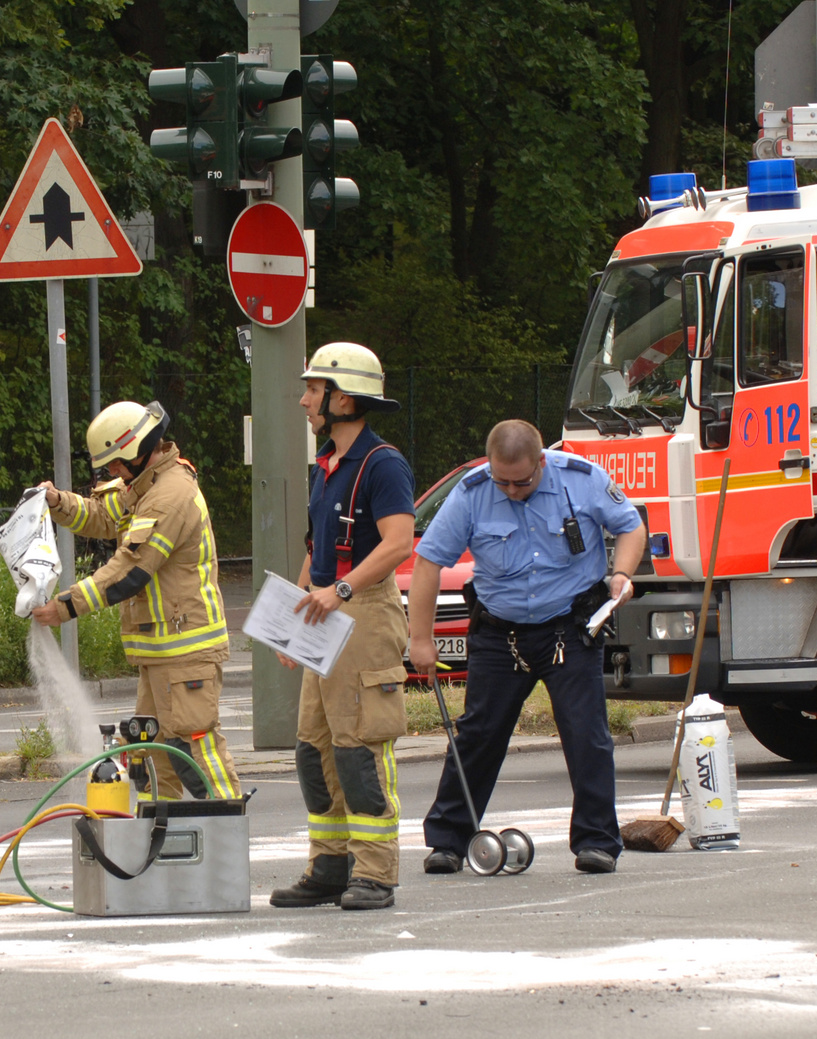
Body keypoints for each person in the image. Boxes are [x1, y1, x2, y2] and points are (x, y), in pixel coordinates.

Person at [409, 419, 646, 874]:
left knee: (587, 734)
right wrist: (420, 639)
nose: (513, 490)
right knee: (478, 734)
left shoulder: (580, 479)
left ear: (542, 461)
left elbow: (630, 526)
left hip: (569, 631)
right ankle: (449, 840)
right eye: (504, 481)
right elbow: (428, 562)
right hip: (501, 635)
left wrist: (622, 573)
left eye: (522, 481)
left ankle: (596, 841)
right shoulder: (473, 490)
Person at [268, 342, 416, 912]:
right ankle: (330, 866)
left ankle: (375, 873)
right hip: (329, 607)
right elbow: (317, 551)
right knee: (315, 749)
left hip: (365, 613)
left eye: (314, 390)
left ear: (344, 398)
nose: (305, 400)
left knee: (359, 749)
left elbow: (399, 542)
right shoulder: (326, 463)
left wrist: (340, 591)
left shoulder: (383, 465)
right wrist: (294, 623)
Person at [31, 400, 239, 802]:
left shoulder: (169, 496)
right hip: (163, 652)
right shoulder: (143, 487)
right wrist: (58, 502)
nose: (111, 474)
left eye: (114, 465)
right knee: (152, 758)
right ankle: (160, 847)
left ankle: (225, 838)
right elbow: (103, 517)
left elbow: (131, 568)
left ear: (138, 451)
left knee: (197, 752)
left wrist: (67, 606)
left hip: (186, 650)